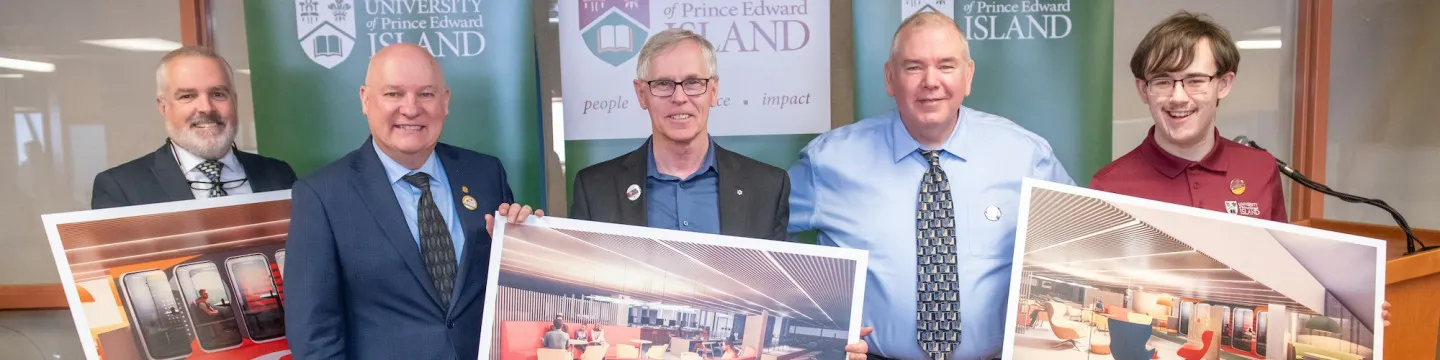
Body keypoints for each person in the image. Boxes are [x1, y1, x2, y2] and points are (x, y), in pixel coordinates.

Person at [787, 11, 1073, 360]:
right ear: (890, 78)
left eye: (946, 66)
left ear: (968, 76)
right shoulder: (829, 161)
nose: (931, 81)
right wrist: (813, 324)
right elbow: (756, 237)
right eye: (913, 67)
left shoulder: (1026, 156)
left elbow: (1077, 246)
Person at [1095, 10, 1391, 328]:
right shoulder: (1110, 185)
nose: (1178, 97)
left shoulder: (1259, 169)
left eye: (1195, 80)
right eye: (1163, 81)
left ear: (1224, 84)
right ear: (1143, 90)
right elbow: (1104, 294)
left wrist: (1353, 313)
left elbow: (1283, 279)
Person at [284, 43, 540, 360]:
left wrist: (529, 245)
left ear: (445, 101)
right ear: (365, 99)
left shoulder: (485, 174)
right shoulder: (321, 195)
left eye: (426, 94)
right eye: (393, 94)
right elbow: (314, 338)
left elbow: (510, 295)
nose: (411, 108)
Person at [569, 28, 789, 241]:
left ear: (713, 91)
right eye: (663, 84)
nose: (679, 97)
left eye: (693, 82)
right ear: (641, 94)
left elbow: (774, 277)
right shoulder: (595, 189)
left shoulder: (767, 188)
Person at [92, 46, 296, 209]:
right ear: (163, 106)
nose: (206, 108)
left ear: (234, 101)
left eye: (218, 94)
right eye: (187, 96)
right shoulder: (121, 188)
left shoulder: (279, 174)